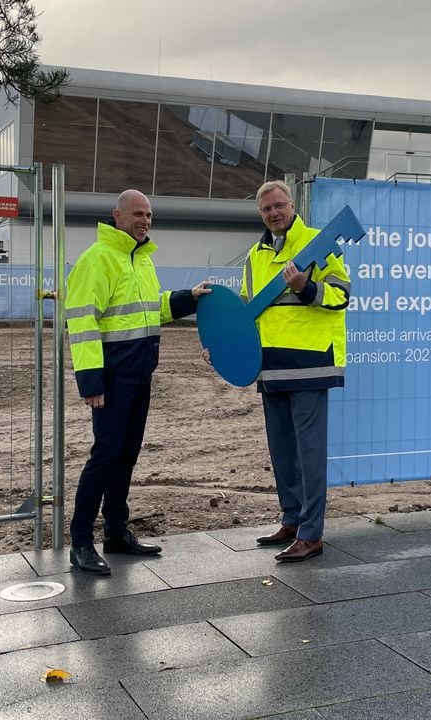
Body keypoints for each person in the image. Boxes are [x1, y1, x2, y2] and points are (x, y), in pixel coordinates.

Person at [65, 189, 210, 575]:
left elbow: (152, 310)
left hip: (139, 375)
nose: (144, 221)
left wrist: (189, 298)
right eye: (137, 214)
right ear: (118, 216)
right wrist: (91, 381)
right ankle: (80, 542)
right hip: (112, 380)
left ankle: (115, 532)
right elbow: (82, 322)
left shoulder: (141, 259)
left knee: (126, 456)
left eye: (148, 215)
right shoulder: (97, 258)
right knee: (105, 456)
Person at [245, 180, 350, 562]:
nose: (274, 213)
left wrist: (306, 287)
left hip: (309, 364)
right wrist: (227, 347)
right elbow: (249, 312)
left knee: (309, 454)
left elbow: (341, 295)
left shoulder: (318, 243)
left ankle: (311, 534)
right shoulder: (254, 256)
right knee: (283, 452)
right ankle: (291, 520)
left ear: (292, 205)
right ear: (260, 214)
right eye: (266, 208)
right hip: (271, 366)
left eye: (279, 205)